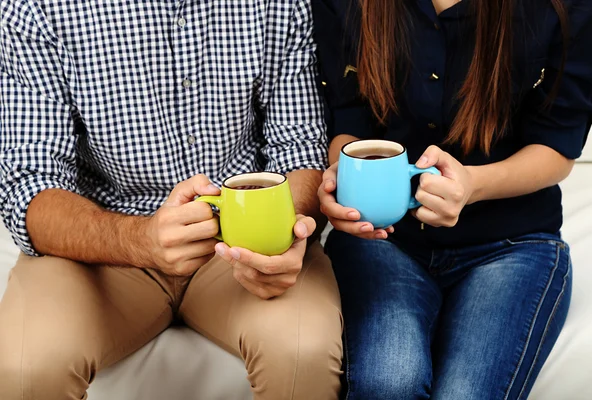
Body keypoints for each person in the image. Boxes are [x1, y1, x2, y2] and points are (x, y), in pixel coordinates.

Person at [0, 1, 343, 399]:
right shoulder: (35, 8)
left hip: (238, 245)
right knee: (26, 367)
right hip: (103, 248)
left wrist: (287, 230)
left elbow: (299, 150)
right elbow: (30, 182)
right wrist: (140, 239)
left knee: (305, 352)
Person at [313, 0, 592, 398]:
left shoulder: (568, 8)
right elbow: (347, 120)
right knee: (387, 384)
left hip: (512, 245)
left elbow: (558, 145)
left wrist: (473, 185)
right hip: (383, 239)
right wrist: (344, 179)